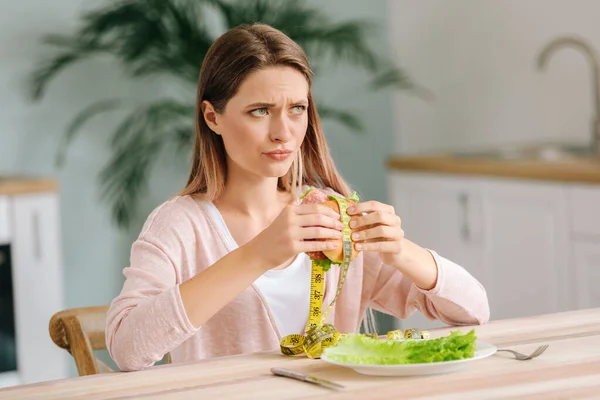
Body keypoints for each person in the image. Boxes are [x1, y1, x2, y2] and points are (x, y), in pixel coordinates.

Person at [105, 23, 489, 372]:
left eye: (297, 109)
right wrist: (258, 255)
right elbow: (127, 348)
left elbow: (474, 312)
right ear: (212, 117)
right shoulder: (180, 225)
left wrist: (402, 251)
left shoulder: (330, 214)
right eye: (260, 111)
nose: (284, 133)